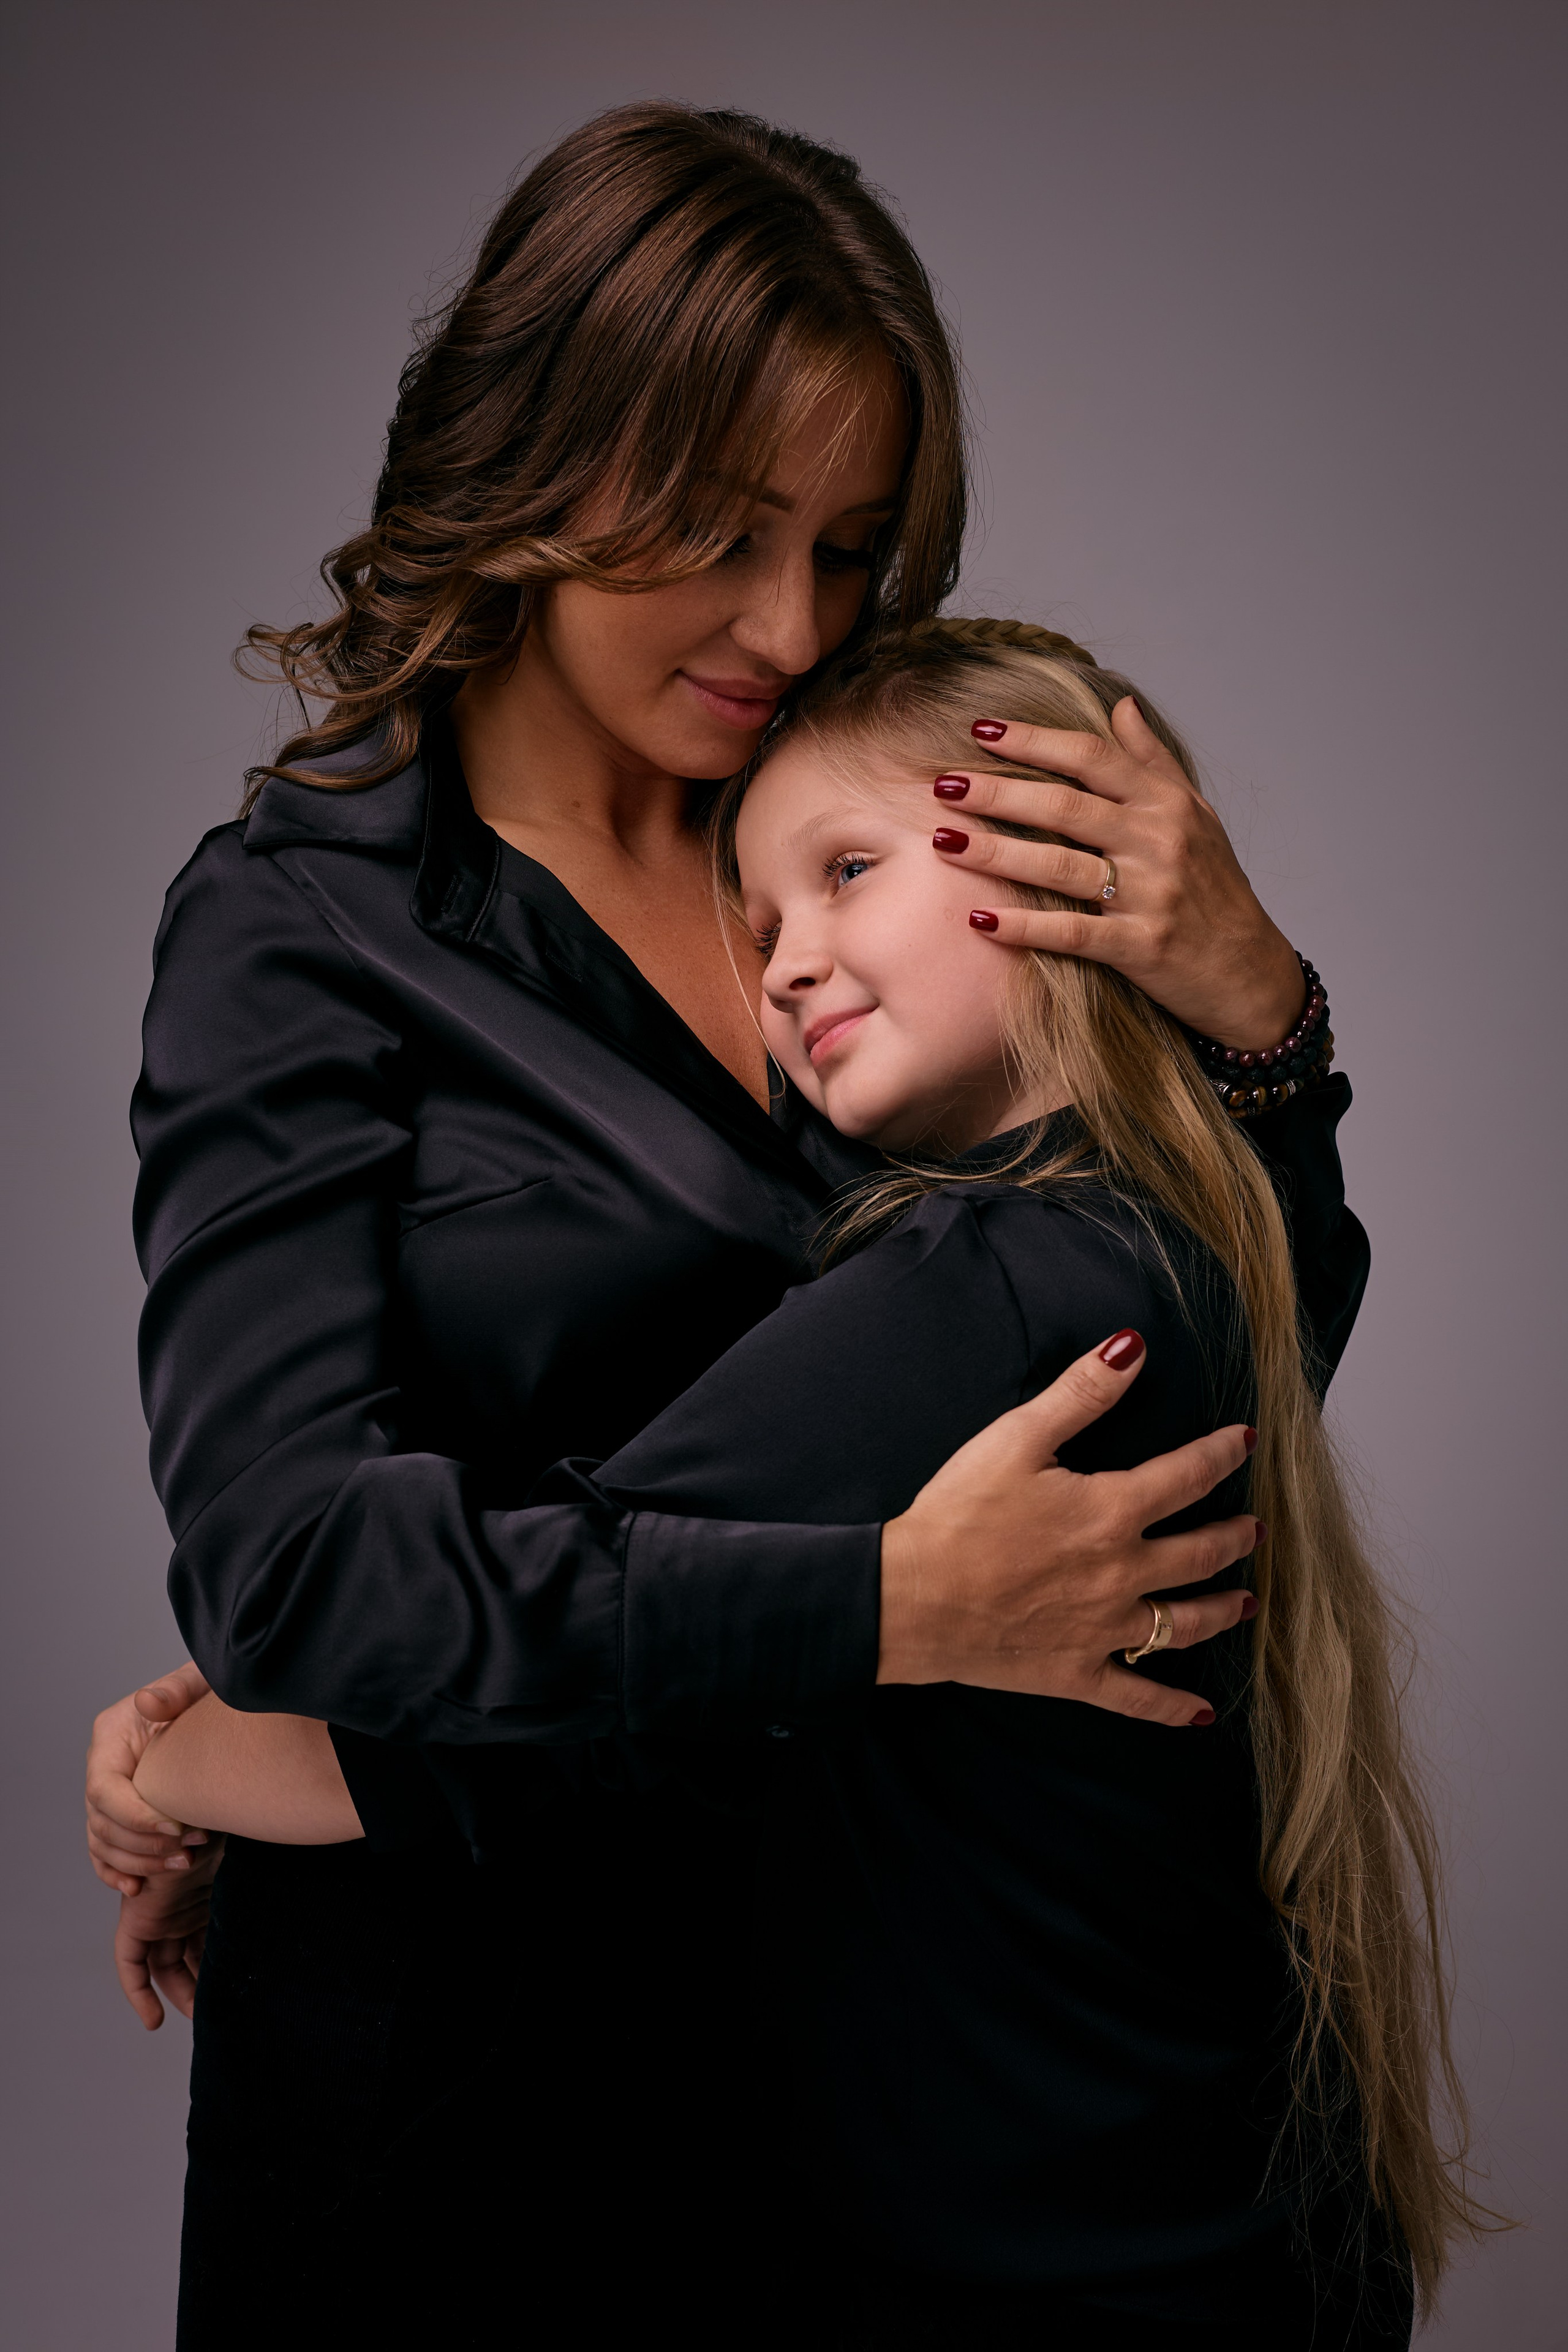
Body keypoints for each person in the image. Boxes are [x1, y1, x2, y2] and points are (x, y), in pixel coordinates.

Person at [85, 106, 1360, 2350]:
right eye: (721, 529)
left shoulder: (869, 833)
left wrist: (1262, 1013)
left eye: (853, 551)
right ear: (542, 449)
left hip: (850, 2099)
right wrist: (875, 1609)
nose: (791, 623)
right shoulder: (306, 928)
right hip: (458, 2101)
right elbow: (294, 1569)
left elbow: (1193, 1359)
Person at [121, 623, 1480, 2349]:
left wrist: (177, 1762)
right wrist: (1274, 1020)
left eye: (846, 873)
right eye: (758, 926)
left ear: (1066, 868)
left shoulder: (967, 1294)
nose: (781, 969)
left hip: (1011, 2278)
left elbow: (519, 1699)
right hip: (1234, 2236)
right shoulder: (1204, 1238)